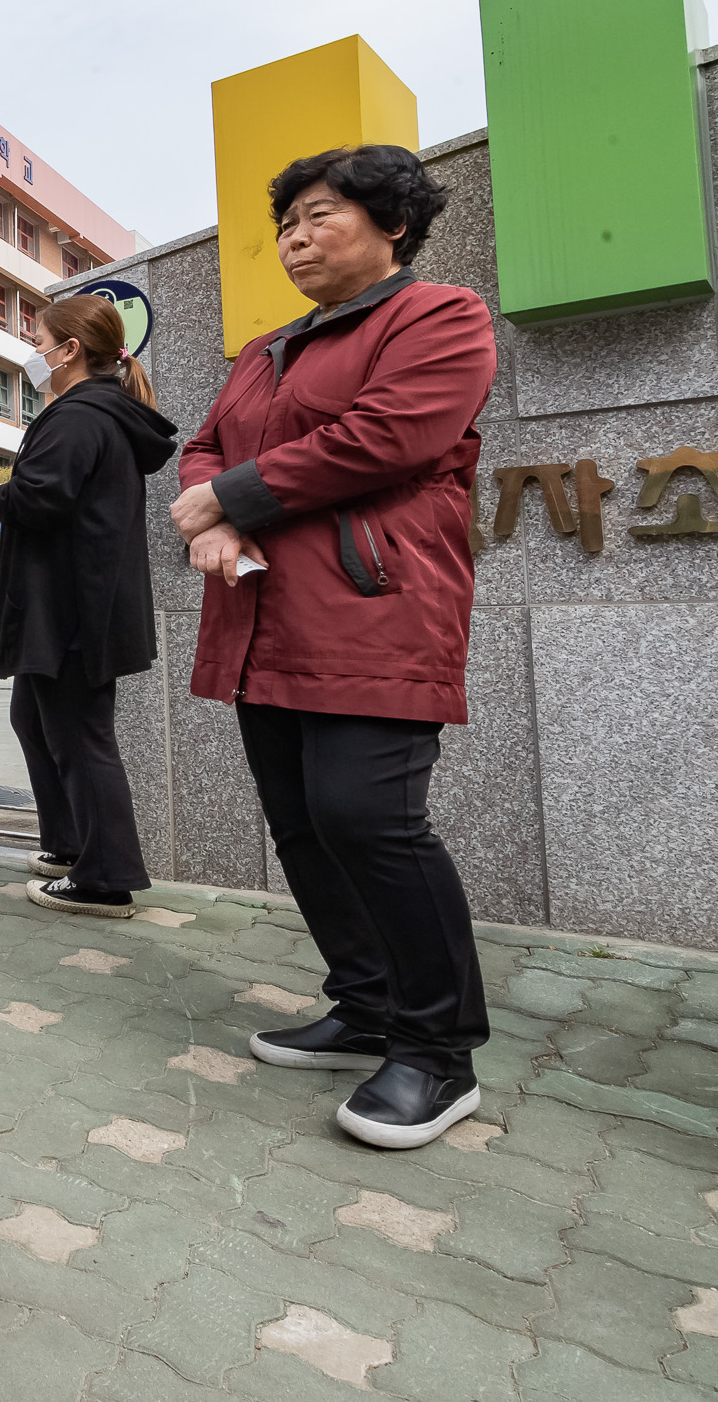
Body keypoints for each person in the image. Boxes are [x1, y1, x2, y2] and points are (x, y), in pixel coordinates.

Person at [175, 143, 494, 1151]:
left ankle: (437, 1050)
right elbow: (204, 444)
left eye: (318, 216)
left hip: (373, 607)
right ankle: (363, 1002)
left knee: (370, 818)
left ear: (391, 223)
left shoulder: (437, 316)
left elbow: (384, 437)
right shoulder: (262, 347)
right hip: (262, 613)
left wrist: (226, 496)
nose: (296, 240)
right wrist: (212, 517)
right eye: (286, 224)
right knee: (304, 822)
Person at [0, 296, 177, 918]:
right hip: (69, 604)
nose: (33, 352)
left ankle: (106, 877)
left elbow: (40, 500)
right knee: (38, 722)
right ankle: (70, 845)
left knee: (79, 737)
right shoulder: (91, 413)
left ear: (69, 351)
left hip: (71, 610)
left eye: (38, 340)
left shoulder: (79, 416)